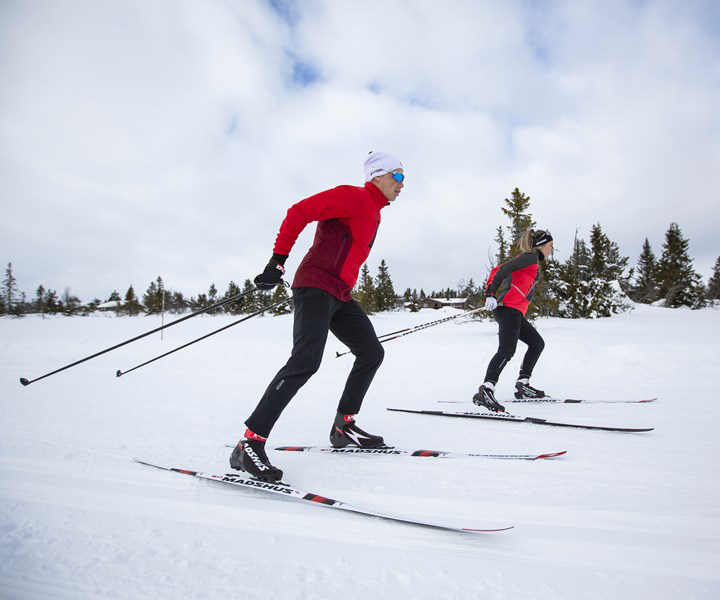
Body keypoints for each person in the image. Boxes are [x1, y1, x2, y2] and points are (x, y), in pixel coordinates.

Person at [230, 151, 405, 481]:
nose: (402, 184)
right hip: (315, 285)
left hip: (339, 292)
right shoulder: (353, 196)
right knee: (306, 360)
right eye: (397, 176)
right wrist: (276, 262)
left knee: (371, 352)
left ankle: (344, 428)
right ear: (378, 176)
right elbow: (299, 211)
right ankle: (249, 444)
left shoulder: (374, 212)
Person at [473, 229, 554, 412]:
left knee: (536, 344)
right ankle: (486, 389)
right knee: (507, 350)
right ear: (540, 245)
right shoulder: (530, 257)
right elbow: (500, 270)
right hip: (508, 309)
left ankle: (523, 384)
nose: (551, 249)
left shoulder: (531, 261)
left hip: (514, 311)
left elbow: (498, 270)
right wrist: (491, 294)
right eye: (549, 246)